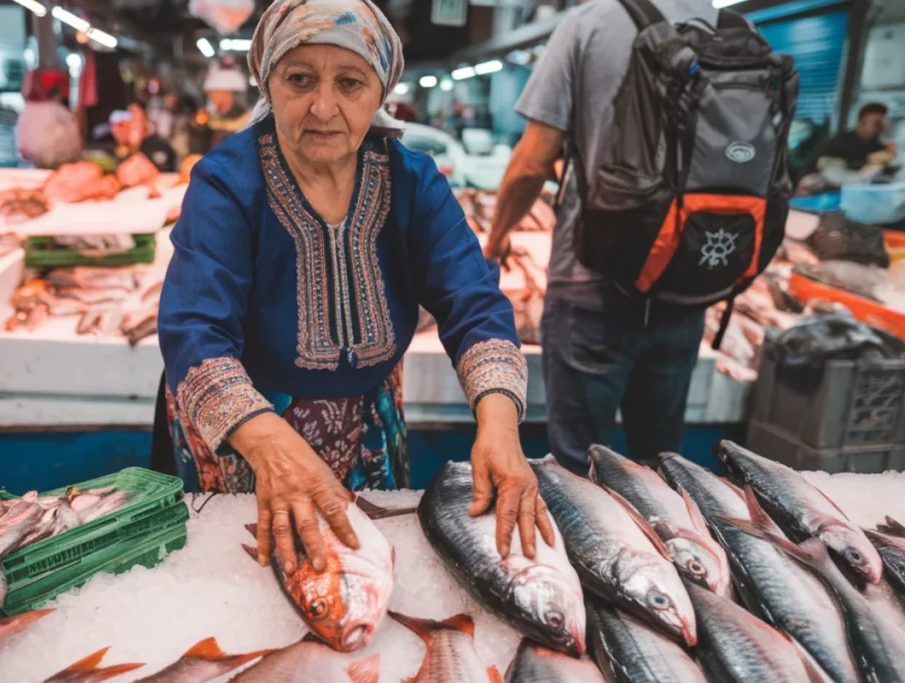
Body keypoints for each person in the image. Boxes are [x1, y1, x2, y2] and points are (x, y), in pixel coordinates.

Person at [155, 0, 554, 575]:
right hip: (244, 429)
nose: (323, 106)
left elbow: (472, 301)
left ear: (381, 92)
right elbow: (194, 327)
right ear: (268, 83)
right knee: (252, 580)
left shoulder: (412, 179)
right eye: (299, 79)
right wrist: (266, 443)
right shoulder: (226, 181)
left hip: (367, 419)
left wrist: (498, 424)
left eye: (349, 82)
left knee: (369, 573)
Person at [484, 0, 715, 471]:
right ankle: (672, 543)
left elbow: (532, 162)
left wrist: (497, 238)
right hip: (686, 284)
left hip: (594, 283)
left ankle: (590, 545)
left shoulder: (590, 23)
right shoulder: (728, 26)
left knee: (580, 466)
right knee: (661, 462)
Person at [16, 69, 83, 170]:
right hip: (56, 162)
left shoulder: (27, 109)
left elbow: (22, 144)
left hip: (33, 163)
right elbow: (76, 140)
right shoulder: (57, 109)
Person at [187, 59, 253, 155]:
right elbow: (197, 154)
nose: (211, 97)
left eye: (214, 93)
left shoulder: (248, 120)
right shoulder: (209, 118)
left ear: (227, 94)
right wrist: (198, 128)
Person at [818, 102, 897, 175]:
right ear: (863, 121)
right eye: (877, 123)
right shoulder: (840, 142)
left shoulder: (878, 145)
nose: (880, 126)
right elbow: (824, 164)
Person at [107, 103, 178, 173]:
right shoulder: (115, 150)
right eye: (113, 127)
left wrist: (135, 141)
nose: (116, 131)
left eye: (121, 125)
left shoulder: (159, 146)